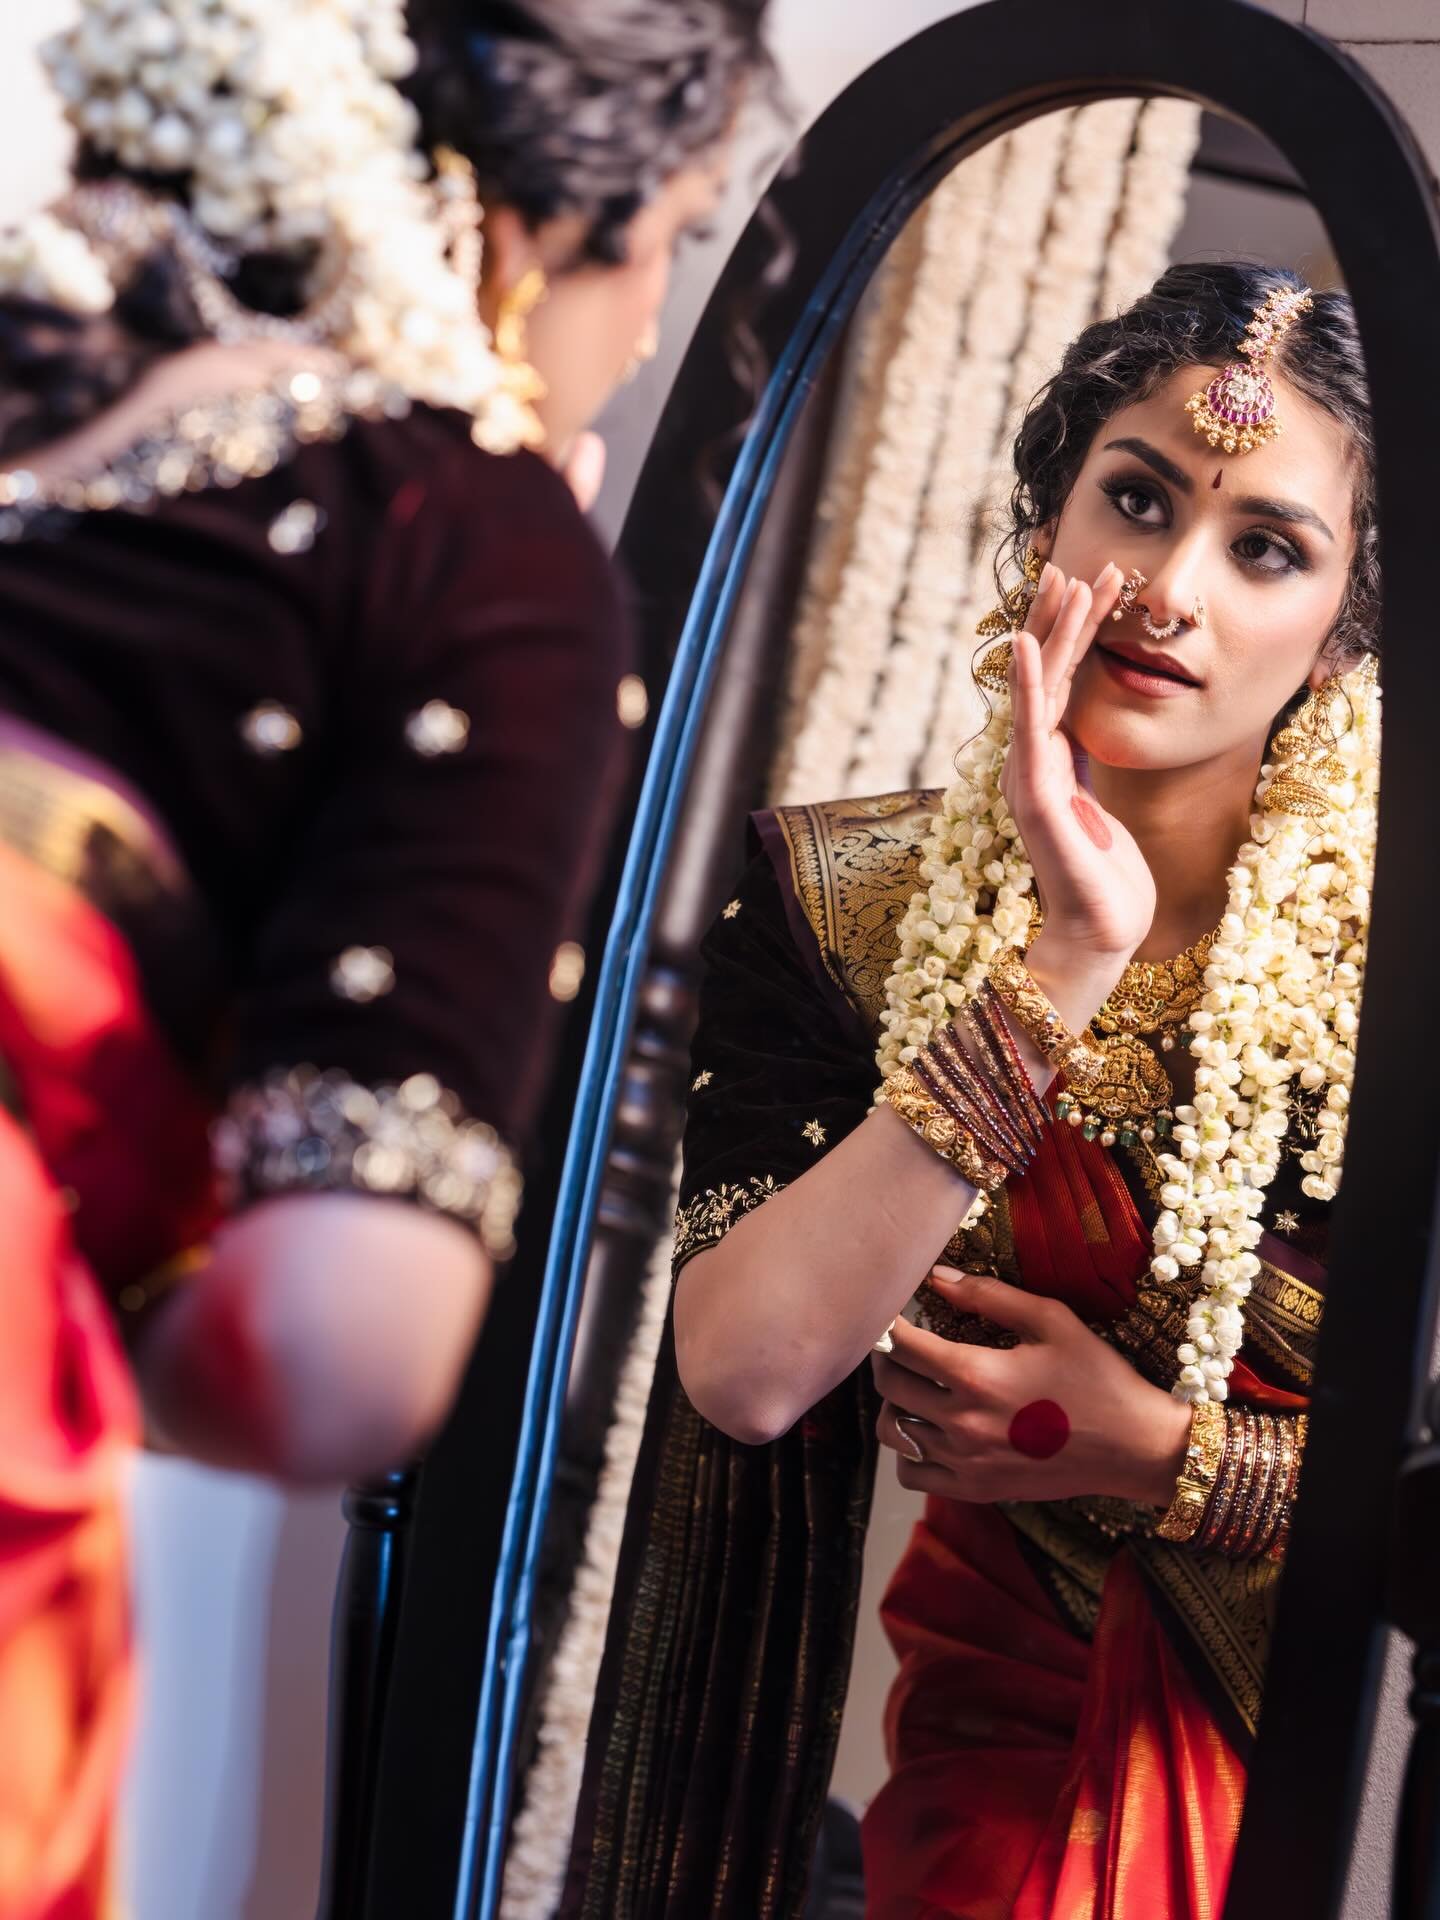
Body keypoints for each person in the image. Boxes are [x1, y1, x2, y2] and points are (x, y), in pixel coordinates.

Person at [0, 0, 774, 1912]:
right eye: (673, 238)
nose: (646, 327)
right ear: (525, 228)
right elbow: (331, 1355)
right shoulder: (458, 535)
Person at [561, 263, 1379, 1919]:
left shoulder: (1398, 963)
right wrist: (1056, 967)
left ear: (1351, 623)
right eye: (1135, 500)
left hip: (1333, 1780)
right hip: (991, 1742)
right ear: (1048, 514)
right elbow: (746, 1369)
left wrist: (1164, 1456)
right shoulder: (850, 906)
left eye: (1265, 548)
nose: (1167, 590)